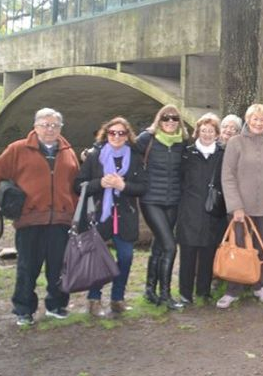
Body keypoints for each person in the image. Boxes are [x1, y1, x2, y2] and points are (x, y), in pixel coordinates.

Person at [0, 108, 79, 326]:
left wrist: (75, 212)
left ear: (61, 128)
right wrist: (9, 195)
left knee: (58, 267)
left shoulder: (68, 151)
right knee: (28, 267)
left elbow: (74, 185)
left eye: (55, 125)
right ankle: (24, 309)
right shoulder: (17, 149)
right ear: (35, 127)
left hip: (61, 220)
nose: (50, 129)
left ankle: (56, 305)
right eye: (45, 124)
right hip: (30, 219)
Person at [218, 104, 263, 308]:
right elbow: (228, 176)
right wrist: (236, 207)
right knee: (238, 247)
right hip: (241, 208)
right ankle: (233, 290)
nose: (258, 123)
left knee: (262, 248)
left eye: (262, 119)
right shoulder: (235, 143)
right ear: (248, 120)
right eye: (255, 119)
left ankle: (259, 285)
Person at [76, 117, 147, 317]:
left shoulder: (134, 157)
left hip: (124, 215)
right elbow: (78, 185)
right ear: (106, 134)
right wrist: (100, 183)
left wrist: (124, 187)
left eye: (121, 133)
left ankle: (117, 298)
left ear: (127, 136)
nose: (116, 136)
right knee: (98, 258)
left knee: (126, 257)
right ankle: (94, 299)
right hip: (100, 215)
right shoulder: (94, 156)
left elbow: (143, 187)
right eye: (112, 133)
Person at [136, 104, 189, 310]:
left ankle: (150, 290)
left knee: (158, 246)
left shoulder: (183, 142)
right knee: (169, 245)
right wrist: (93, 152)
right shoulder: (146, 139)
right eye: (166, 118)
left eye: (174, 119)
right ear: (159, 119)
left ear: (179, 122)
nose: (170, 122)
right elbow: (123, 149)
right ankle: (165, 295)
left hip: (173, 200)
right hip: (151, 200)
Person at [177, 113, 225, 305]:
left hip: (212, 211)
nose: (206, 134)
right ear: (197, 132)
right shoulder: (187, 153)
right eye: (203, 130)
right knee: (188, 254)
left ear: (216, 134)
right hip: (189, 210)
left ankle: (203, 291)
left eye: (211, 131)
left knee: (208, 252)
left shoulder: (222, 154)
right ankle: (185, 293)